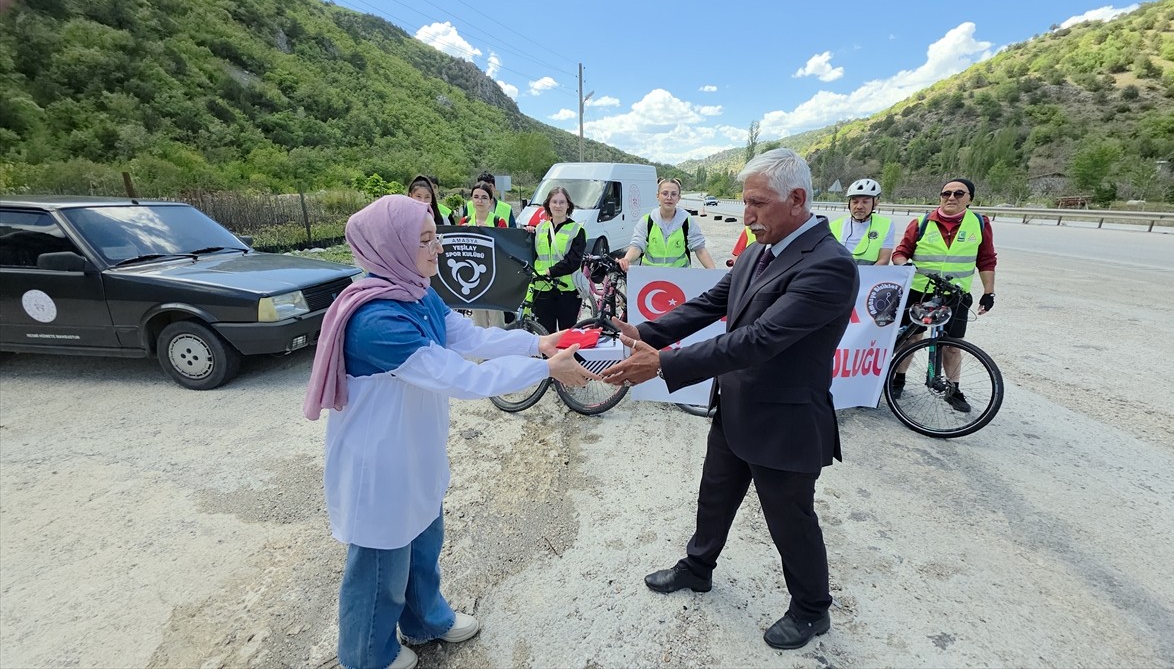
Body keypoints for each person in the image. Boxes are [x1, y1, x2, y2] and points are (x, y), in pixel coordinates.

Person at [303, 195, 595, 669]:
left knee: (423, 540)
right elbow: (463, 377)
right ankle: (367, 656)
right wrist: (546, 369)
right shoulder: (377, 320)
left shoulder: (416, 291)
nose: (437, 247)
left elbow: (471, 338)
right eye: (423, 240)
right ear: (391, 246)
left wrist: (536, 342)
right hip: (378, 462)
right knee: (380, 566)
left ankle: (425, 622)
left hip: (415, 448)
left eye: (434, 234)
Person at [600, 149, 858, 651]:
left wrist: (665, 363)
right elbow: (712, 302)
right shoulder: (764, 249)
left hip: (784, 422)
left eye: (758, 203)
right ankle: (698, 568)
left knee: (790, 519)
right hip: (736, 403)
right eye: (746, 203)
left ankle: (811, 610)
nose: (748, 215)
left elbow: (759, 339)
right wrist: (646, 330)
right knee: (714, 496)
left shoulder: (829, 266)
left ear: (798, 200)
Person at [890, 178, 997, 411]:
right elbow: (900, 253)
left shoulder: (979, 224)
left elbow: (986, 259)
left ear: (970, 198)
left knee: (952, 345)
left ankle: (953, 388)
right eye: (946, 193)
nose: (951, 198)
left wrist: (989, 292)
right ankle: (898, 380)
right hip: (920, 291)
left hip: (956, 295)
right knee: (912, 338)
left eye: (959, 194)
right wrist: (904, 265)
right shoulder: (922, 222)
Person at [617, 178, 716, 271]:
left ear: (678, 198)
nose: (669, 197)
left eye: (673, 194)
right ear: (658, 196)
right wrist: (627, 260)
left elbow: (700, 250)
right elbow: (636, 246)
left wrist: (715, 273)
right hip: (650, 279)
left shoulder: (687, 220)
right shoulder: (647, 221)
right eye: (665, 193)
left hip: (680, 279)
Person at [528, 187, 586, 331]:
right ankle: (548, 356)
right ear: (548, 204)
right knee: (546, 334)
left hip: (567, 291)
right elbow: (532, 255)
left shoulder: (577, 230)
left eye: (562, 202)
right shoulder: (540, 228)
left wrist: (549, 272)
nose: (558, 206)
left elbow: (573, 262)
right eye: (554, 202)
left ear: (568, 205)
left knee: (567, 335)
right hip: (542, 289)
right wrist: (527, 235)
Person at [459, 182, 509, 329]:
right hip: (473, 276)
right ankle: (481, 352)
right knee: (478, 321)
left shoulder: (498, 222)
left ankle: (498, 352)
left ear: (490, 201)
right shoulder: (465, 221)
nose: (480, 201)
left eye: (484, 197)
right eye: (476, 197)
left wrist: (491, 233)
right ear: (472, 200)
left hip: (494, 275)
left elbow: (505, 248)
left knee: (496, 320)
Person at [829, 178, 894, 265]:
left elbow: (883, 260)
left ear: (876, 203)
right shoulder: (834, 225)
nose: (859, 206)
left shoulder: (886, 225)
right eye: (855, 202)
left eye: (865, 202)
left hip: (869, 277)